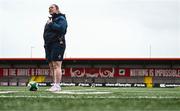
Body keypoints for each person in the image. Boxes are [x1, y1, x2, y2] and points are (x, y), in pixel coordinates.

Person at [43, 4, 68, 92]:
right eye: (49, 8)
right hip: (48, 45)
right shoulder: (50, 20)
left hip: (58, 43)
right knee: (51, 65)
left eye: (52, 7)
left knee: (56, 64)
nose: (50, 9)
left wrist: (52, 24)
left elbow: (62, 29)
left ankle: (57, 85)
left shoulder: (61, 18)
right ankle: (54, 85)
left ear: (57, 9)